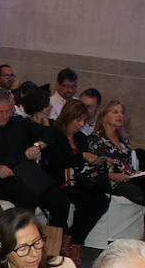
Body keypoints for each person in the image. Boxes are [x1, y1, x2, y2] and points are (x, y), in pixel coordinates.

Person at [0, 89, 71, 233]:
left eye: (8, 111)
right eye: (0, 112)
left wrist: (38, 145)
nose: (5, 116)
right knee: (27, 198)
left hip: (27, 172)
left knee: (60, 200)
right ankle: (24, 238)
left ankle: (56, 239)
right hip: (1, 179)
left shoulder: (18, 123)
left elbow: (52, 132)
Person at [41, 99, 110, 259]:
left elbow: (81, 165)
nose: (81, 124)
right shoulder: (54, 135)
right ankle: (65, 245)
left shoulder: (81, 138)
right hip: (57, 181)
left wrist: (96, 161)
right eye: (77, 120)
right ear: (68, 117)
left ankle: (73, 239)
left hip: (77, 181)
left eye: (83, 121)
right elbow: (56, 162)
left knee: (101, 200)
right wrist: (82, 157)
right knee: (81, 200)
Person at [88, 100, 145, 242]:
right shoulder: (96, 139)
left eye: (122, 112)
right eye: (115, 112)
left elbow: (127, 165)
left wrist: (135, 173)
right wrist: (113, 176)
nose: (120, 115)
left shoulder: (123, 140)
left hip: (129, 177)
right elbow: (92, 169)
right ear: (105, 116)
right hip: (111, 180)